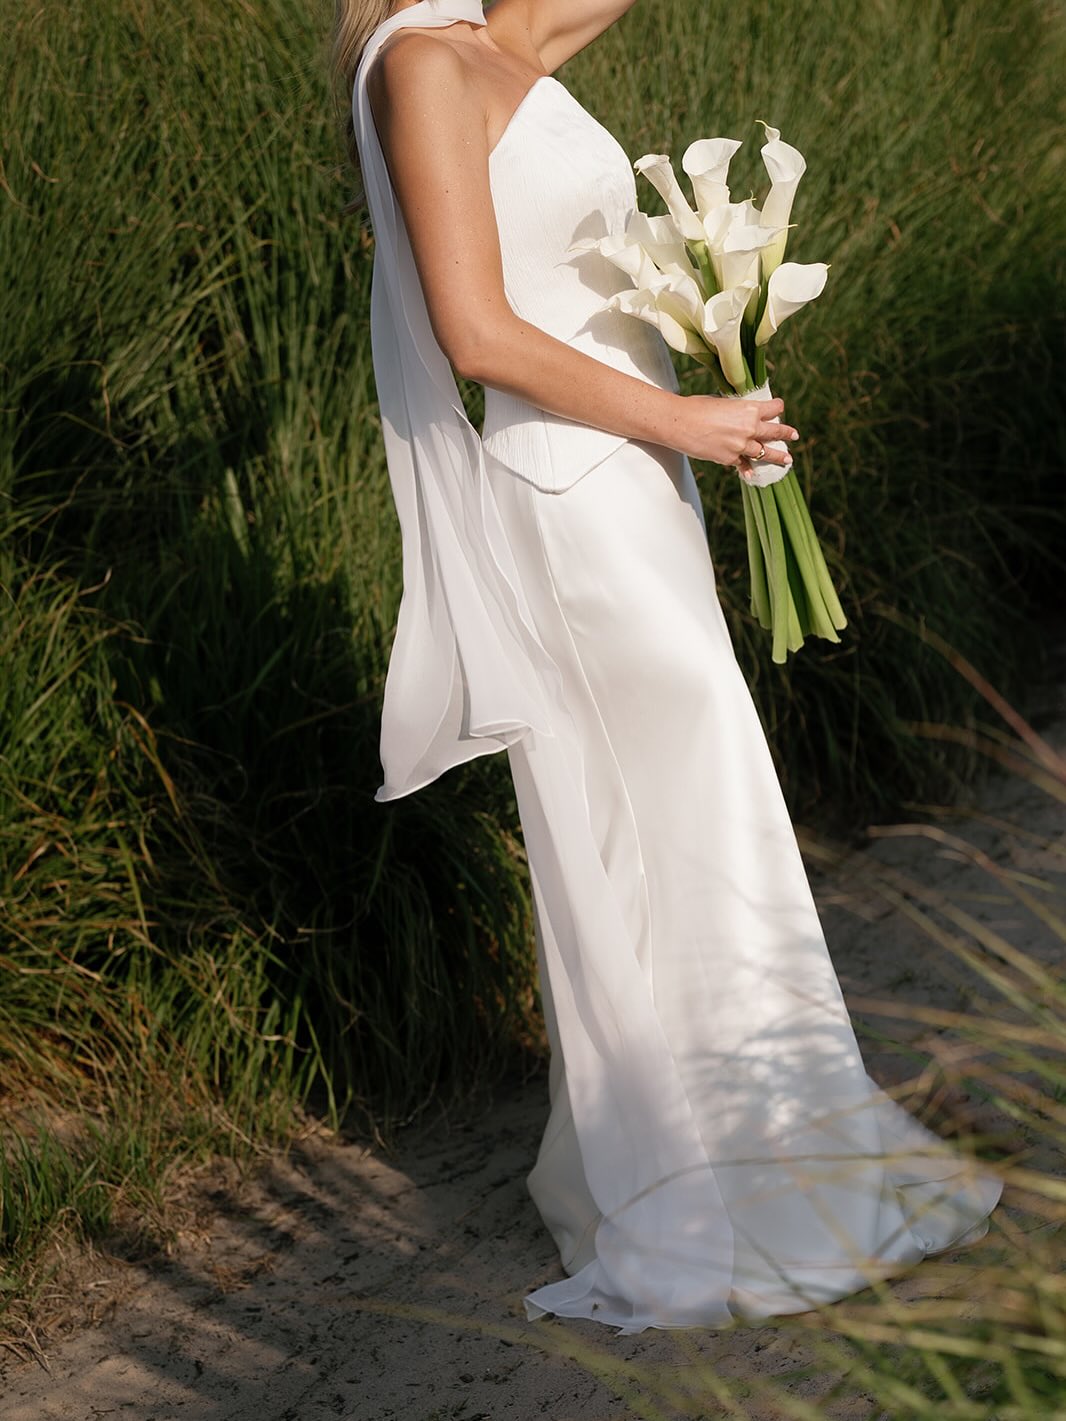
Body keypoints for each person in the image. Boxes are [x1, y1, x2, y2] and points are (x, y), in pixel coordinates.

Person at [337, 0, 1001, 1333]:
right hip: (575, 496)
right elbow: (477, 336)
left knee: (692, 806)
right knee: (679, 797)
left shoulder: (497, 55)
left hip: (638, 490)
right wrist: (685, 417)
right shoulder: (417, 63)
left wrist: (711, 338)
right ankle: (710, 1186)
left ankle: (744, 1145)